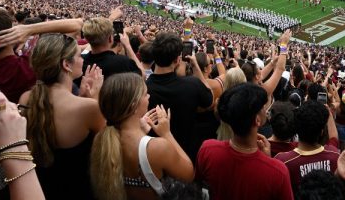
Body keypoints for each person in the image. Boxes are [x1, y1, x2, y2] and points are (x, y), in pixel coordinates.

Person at [18, 33, 106, 199]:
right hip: (75, 190)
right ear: (66, 64)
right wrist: (95, 98)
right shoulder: (89, 108)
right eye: (79, 56)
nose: (82, 60)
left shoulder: (26, 98)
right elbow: (106, 151)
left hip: (38, 187)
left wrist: (81, 97)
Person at [91, 72, 194, 200]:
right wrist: (166, 134)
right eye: (145, 94)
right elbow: (189, 175)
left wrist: (140, 132)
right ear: (134, 105)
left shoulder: (101, 139)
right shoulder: (157, 147)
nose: (149, 96)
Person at [196, 83, 293, 200]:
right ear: (257, 120)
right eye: (262, 107)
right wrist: (268, 161)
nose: (265, 110)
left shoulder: (207, 150)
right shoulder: (278, 172)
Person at [146, 31, 213, 162]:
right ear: (177, 60)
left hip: (153, 155)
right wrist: (195, 67)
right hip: (185, 154)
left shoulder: (142, 88)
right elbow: (209, 99)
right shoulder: (192, 84)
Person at [275, 100, 341, 195]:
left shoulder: (282, 161)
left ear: (296, 129)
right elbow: (334, 138)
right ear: (322, 132)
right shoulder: (335, 155)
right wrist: (329, 115)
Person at [81, 15, 141, 82]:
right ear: (110, 39)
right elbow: (141, 76)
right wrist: (127, 45)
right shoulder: (123, 62)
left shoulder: (80, 61)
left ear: (86, 38)